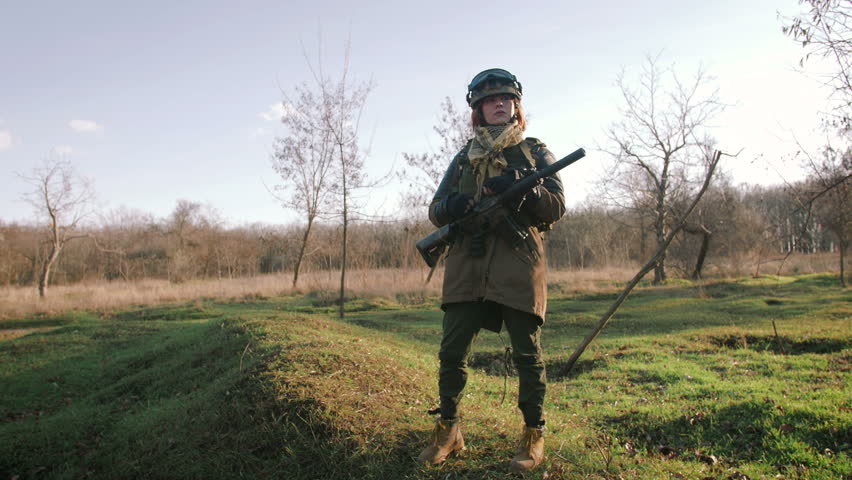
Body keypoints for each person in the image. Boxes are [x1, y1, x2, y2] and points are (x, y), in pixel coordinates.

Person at [417, 68, 566, 473]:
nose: (499, 104)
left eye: (506, 98)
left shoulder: (534, 152)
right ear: (478, 110)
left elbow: (557, 206)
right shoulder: (464, 158)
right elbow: (435, 210)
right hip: (467, 264)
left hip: (519, 264)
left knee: (527, 355)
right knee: (452, 352)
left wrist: (526, 188)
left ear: (516, 107)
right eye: (490, 100)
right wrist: (451, 208)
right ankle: (448, 429)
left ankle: (533, 434)